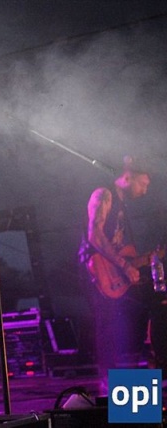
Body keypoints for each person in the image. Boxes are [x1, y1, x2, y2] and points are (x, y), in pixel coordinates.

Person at [78, 156, 166, 394]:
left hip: (114, 273)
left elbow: (122, 250)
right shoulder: (103, 194)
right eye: (143, 184)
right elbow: (94, 235)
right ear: (128, 177)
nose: (145, 190)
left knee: (134, 325)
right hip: (97, 271)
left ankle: (135, 390)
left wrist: (138, 261)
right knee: (115, 330)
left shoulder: (122, 207)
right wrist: (125, 267)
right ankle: (113, 390)